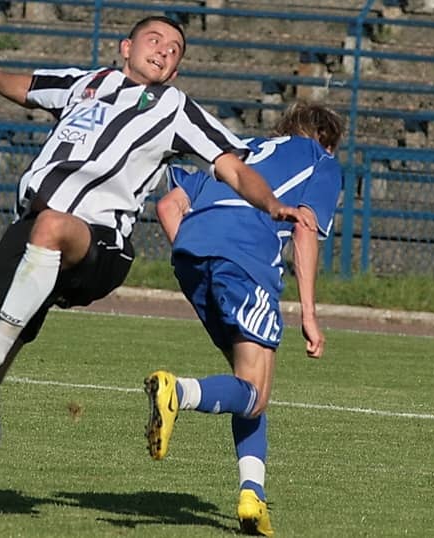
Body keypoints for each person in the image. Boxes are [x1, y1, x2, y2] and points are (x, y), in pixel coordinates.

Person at [0, 16, 312, 530]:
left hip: (100, 242)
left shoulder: (176, 109)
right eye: (155, 40)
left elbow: (233, 166)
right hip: (26, 239)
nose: (164, 51)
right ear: (126, 47)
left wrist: (271, 204)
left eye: (175, 49)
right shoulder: (85, 84)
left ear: (176, 68)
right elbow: (27, 87)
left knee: (50, 229)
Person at [145, 101, 344, 536]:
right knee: (254, 392)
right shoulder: (321, 161)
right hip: (245, 258)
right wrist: (310, 314)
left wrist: (202, 250)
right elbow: (304, 227)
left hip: (192, 255)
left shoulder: (236, 149)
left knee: (249, 383)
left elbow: (168, 207)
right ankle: (179, 392)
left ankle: (252, 496)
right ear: (326, 139)